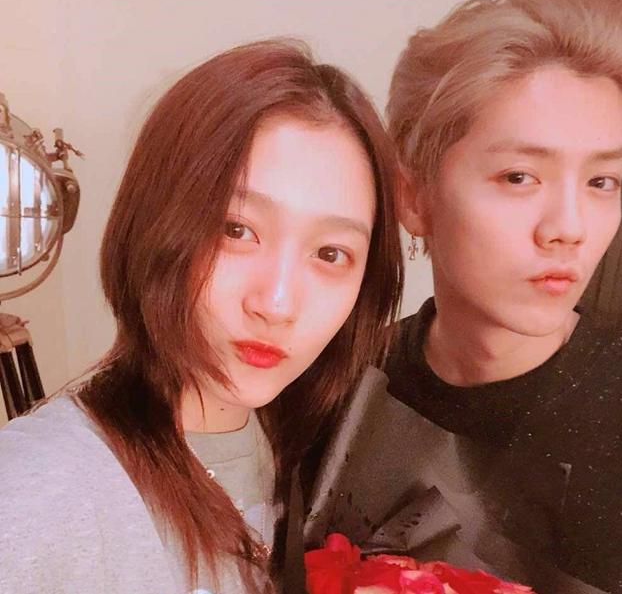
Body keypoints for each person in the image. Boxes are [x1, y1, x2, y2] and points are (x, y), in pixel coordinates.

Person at [0, 40, 403, 594]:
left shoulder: (317, 461)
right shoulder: (35, 497)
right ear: (154, 223)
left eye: (330, 254)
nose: (276, 304)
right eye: (236, 230)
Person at [303, 0, 622, 593]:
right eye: (519, 177)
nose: (569, 228)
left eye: (601, 182)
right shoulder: (335, 379)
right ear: (413, 196)